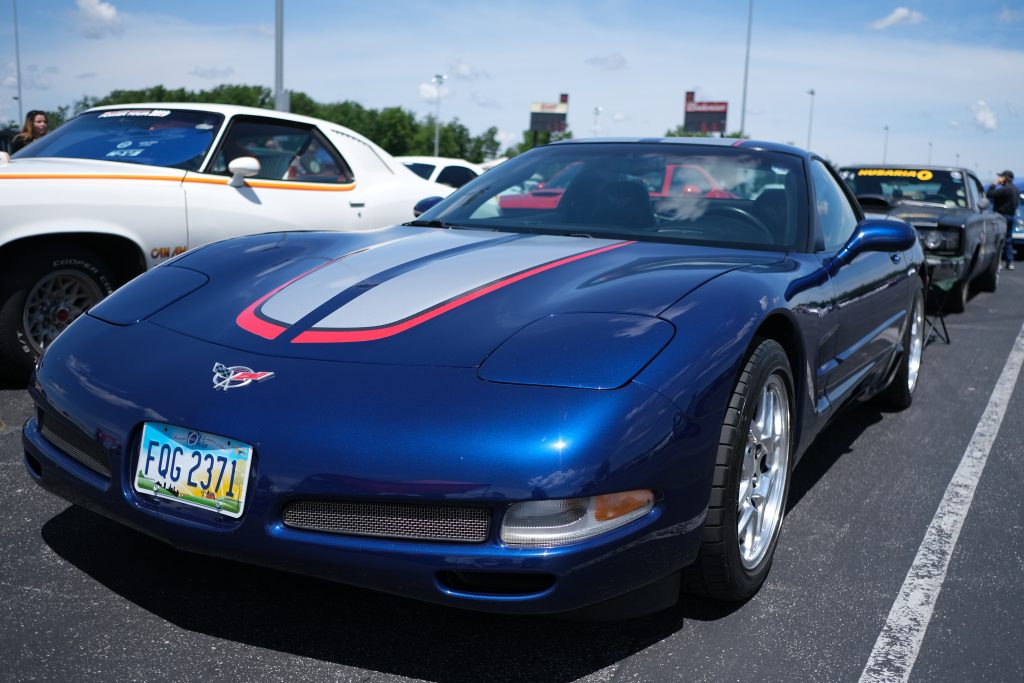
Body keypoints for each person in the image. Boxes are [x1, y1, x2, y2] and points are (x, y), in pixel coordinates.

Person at [987, 170, 1020, 270]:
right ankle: (1010, 262)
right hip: (1011, 216)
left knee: (998, 239)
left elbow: (989, 194)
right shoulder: (1016, 189)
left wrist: (994, 184)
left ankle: (998, 262)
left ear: (1006, 178)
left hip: (1002, 217)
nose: (1000, 179)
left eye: (1002, 177)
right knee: (1008, 240)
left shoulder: (1005, 189)